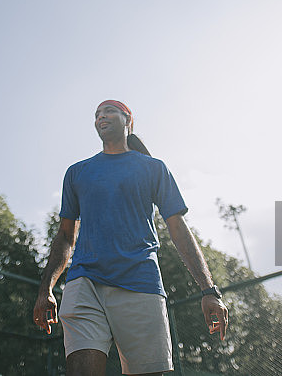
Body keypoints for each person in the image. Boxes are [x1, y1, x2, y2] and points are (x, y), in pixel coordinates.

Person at [33, 100, 228, 376]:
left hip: (140, 282)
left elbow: (178, 229)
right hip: (84, 283)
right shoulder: (77, 172)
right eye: (97, 114)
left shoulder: (153, 168)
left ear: (129, 120)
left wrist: (209, 291)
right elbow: (66, 236)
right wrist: (46, 289)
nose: (102, 116)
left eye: (109, 111)